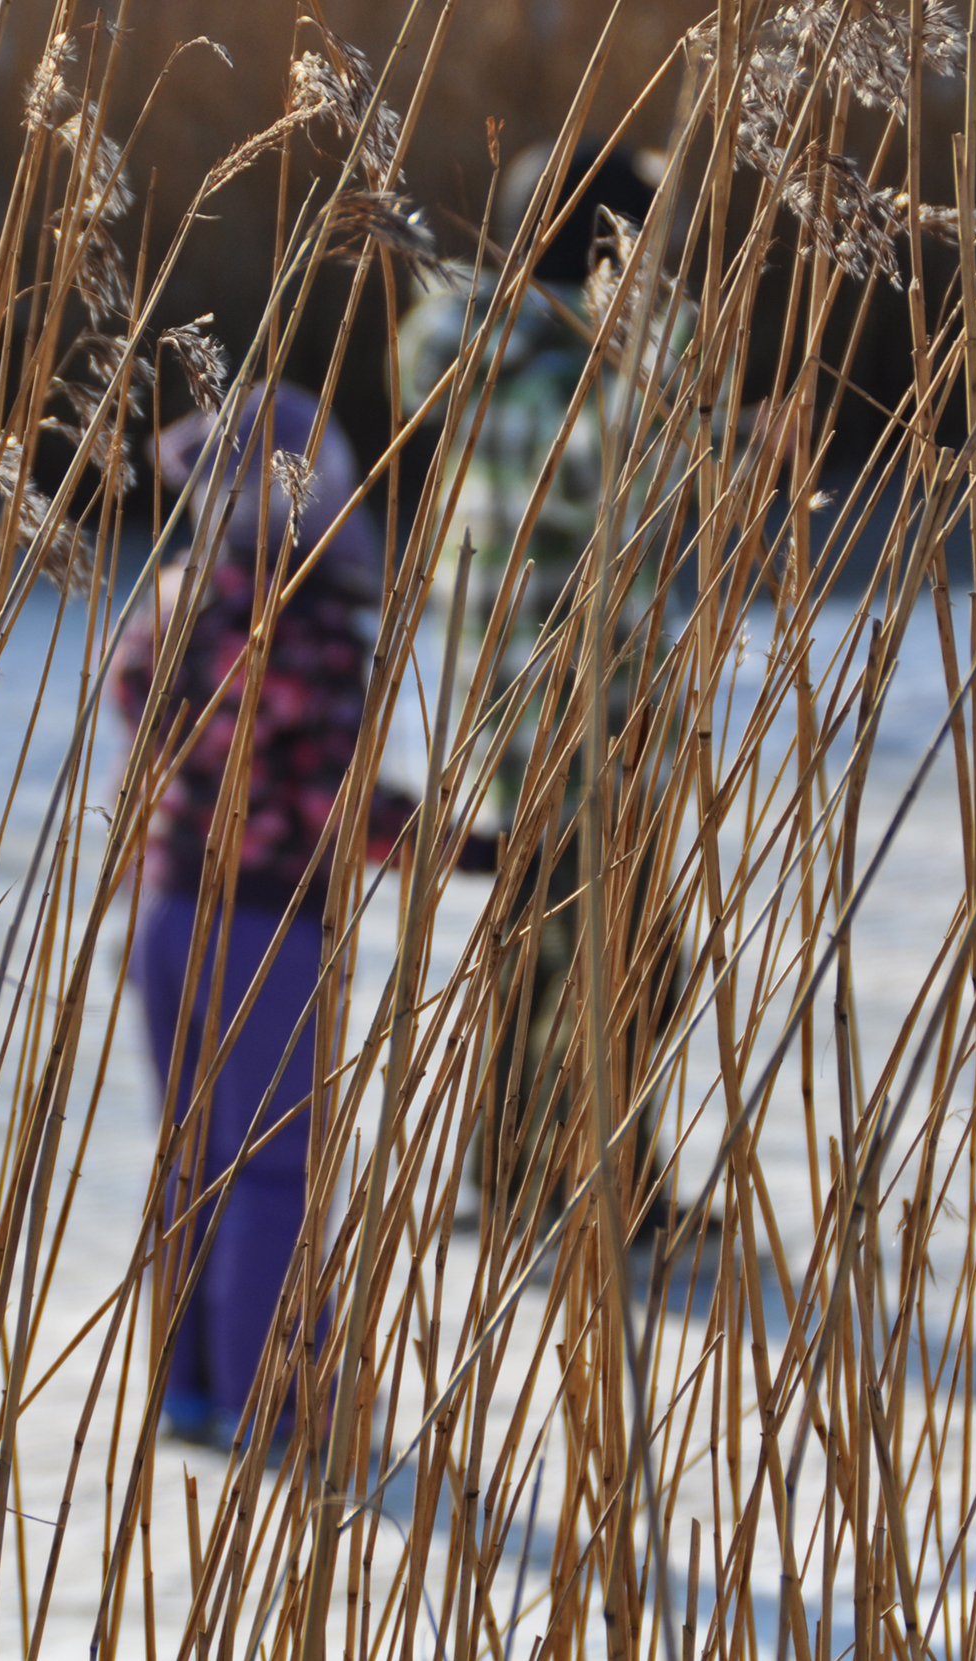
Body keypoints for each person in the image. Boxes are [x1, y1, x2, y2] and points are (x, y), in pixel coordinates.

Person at [396, 142, 693, 1241]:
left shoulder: (540, 350)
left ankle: (612, 1169)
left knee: (624, 942)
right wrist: (707, 425)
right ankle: (545, 1178)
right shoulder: (536, 364)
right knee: (582, 943)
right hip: (554, 710)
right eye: (646, 239)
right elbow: (594, 475)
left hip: (590, 699)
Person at [113, 381, 414, 1449]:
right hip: (269, 928)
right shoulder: (316, 628)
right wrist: (464, 846)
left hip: (170, 914)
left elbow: (163, 749)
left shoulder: (174, 609)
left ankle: (188, 1387)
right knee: (271, 1166)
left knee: (190, 1157)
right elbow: (334, 803)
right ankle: (274, 1399)